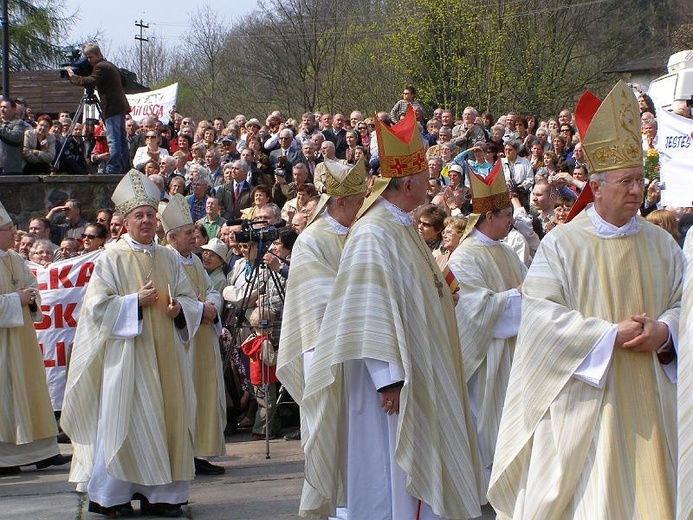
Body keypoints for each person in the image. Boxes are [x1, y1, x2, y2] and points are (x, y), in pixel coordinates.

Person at [488, 81, 682, 519]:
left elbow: (682, 303)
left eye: (640, 180)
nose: (636, 190)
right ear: (595, 187)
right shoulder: (563, 246)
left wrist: (665, 332)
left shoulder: (663, 245)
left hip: (654, 404)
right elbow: (539, 317)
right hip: (588, 407)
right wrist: (606, 336)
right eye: (626, 181)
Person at [299, 106, 483, 519]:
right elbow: (368, 311)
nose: (431, 182)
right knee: (392, 475)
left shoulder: (400, 224)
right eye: (425, 176)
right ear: (409, 182)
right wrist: (388, 380)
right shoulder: (373, 232)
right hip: (391, 382)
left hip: (416, 369)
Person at [61, 170, 199, 518]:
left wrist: (179, 307)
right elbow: (94, 307)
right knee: (124, 422)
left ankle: (163, 497)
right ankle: (112, 497)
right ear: (125, 221)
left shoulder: (168, 257)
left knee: (166, 421)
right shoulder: (112, 257)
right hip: (128, 358)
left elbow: (188, 296)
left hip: (166, 354)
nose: (147, 220)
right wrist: (132, 302)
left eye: (151, 215)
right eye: (139, 215)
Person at [277, 158, 368, 451]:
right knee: (330, 429)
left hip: (358, 344)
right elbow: (320, 296)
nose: (361, 207)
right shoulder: (311, 240)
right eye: (357, 201)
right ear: (340, 202)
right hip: (323, 346)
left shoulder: (358, 233)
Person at [447, 165, 526, 490]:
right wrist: (522, 295)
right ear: (489, 216)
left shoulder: (508, 252)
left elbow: (534, 292)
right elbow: (471, 308)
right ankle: (481, 489)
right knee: (484, 424)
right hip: (485, 358)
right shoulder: (464, 257)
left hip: (515, 354)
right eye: (507, 214)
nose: (512, 220)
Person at [0, 202, 72, 475]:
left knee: (32, 391)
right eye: (8, 230)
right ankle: (6, 458)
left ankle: (43, 452)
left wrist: (30, 298)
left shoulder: (15, 259)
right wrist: (14, 299)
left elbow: (32, 286)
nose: (14, 235)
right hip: (3, 346)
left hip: (23, 341)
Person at [160, 195, 226, 477]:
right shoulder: (166, 259)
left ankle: (200, 451)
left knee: (206, 392)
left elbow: (211, 288)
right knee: (187, 394)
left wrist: (212, 306)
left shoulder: (195, 261)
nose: (195, 238)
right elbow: (171, 300)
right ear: (172, 237)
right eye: (188, 233)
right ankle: (186, 452)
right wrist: (201, 309)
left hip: (203, 336)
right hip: (183, 338)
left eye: (195, 233)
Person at [66, 43, 130, 174]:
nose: (89, 61)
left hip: (112, 106)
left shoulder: (100, 66)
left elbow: (90, 81)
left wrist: (73, 77)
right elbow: (123, 81)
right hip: (120, 105)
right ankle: (124, 165)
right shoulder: (111, 65)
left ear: (98, 55)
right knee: (121, 138)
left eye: (90, 57)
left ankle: (114, 167)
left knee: (113, 139)